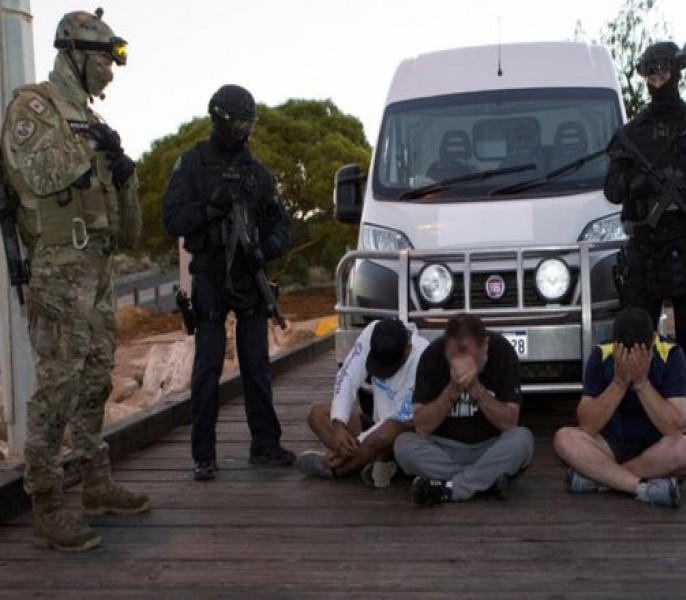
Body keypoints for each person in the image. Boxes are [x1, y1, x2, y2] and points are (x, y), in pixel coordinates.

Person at [0, 9, 147, 551]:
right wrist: (93, 148)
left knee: (95, 377)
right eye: (105, 60)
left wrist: (125, 173)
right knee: (58, 384)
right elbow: (41, 173)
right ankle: (46, 502)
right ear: (76, 54)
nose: (110, 71)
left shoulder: (90, 119)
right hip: (59, 266)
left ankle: (94, 482)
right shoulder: (33, 106)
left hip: (98, 265)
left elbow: (127, 227)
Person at [604, 41, 686, 462]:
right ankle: (637, 426)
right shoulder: (632, 134)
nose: (658, 80)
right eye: (651, 73)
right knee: (634, 338)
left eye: (664, 72)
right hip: (645, 246)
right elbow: (611, 189)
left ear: (677, 72)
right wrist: (635, 185)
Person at [162, 84, 295, 481]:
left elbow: (280, 224)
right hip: (210, 276)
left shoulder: (257, 172)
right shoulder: (193, 164)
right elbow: (172, 219)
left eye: (248, 124)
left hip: (249, 277)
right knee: (207, 367)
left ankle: (265, 444)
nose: (244, 131)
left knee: (256, 364)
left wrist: (265, 249)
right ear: (219, 119)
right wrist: (208, 209)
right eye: (238, 123)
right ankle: (204, 454)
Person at [554, 308, 686, 508]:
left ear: (652, 343)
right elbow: (586, 425)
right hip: (610, 443)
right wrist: (619, 383)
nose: (632, 361)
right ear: (615, 346)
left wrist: (642, 383)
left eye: (640, 354)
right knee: (564, 438)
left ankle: (602, 480)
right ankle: (641, 487)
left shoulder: (672, 355)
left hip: (656, 447)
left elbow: (674, 427)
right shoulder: (601, 354)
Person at [393, 315, 534, 505]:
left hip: (489, 447)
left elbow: (509, 423)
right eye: (453, 355)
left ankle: (453, 488)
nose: (461, 361)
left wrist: (475, 388)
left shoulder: (503, 352)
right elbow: (422, 426)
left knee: (522, 440)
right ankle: (485, 481)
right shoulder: (432, 354)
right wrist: (452, 390)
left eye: (469, 355)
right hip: (444, 448)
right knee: (403, 446)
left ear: (485, 346)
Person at [298, 319, 429, 487]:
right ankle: (371, 461)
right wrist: (338, 424)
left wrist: (359, 442)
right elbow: (347, 376)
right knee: (317, 415)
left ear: (408, 348)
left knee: (387, 432)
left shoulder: (424, 357)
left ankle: (336, 470)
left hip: (401, 433)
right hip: (375, 424)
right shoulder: (373, 331)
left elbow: (399, 417)